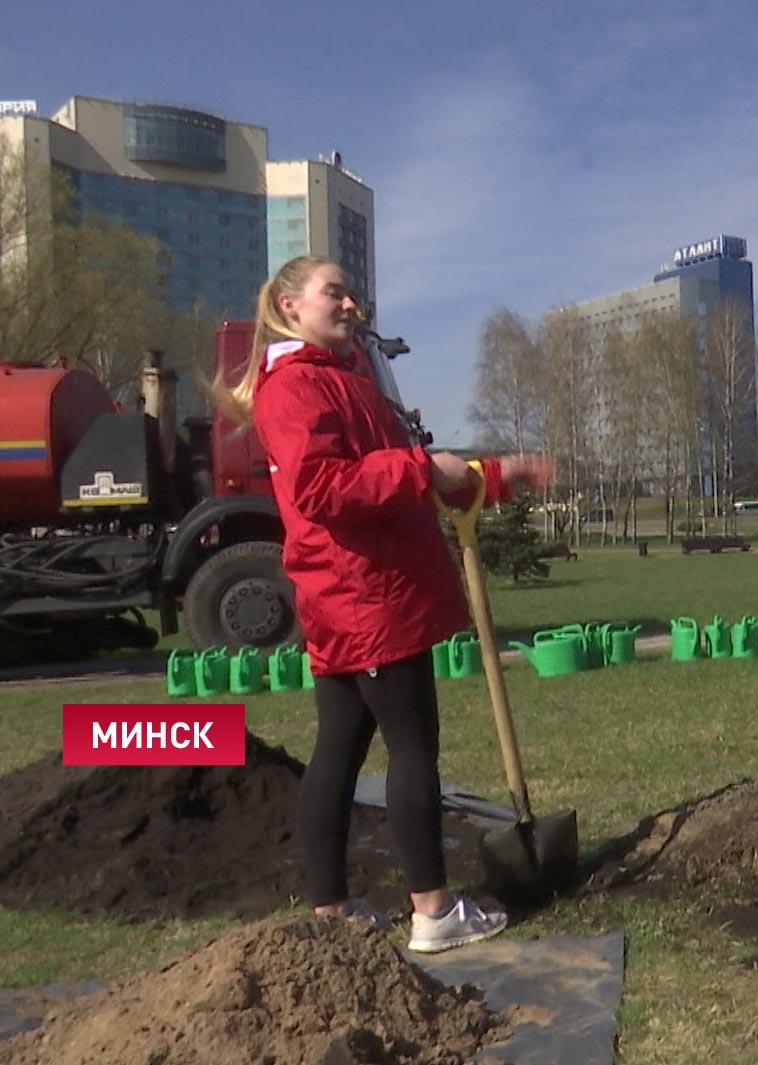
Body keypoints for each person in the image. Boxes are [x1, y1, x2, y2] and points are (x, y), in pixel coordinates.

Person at [216, 255, 546, 951]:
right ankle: (433, 910)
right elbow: (323, 488)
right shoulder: (297, 386)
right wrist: (423, 467)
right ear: (288, 303)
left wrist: (492, 476)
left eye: (353, 295)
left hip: (355, 592)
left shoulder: (342, 380)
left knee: (338, 748)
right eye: (334, 293)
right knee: (412, 746)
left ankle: (331, 910)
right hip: (364, 594)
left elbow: (401, 477)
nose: (351, 305)